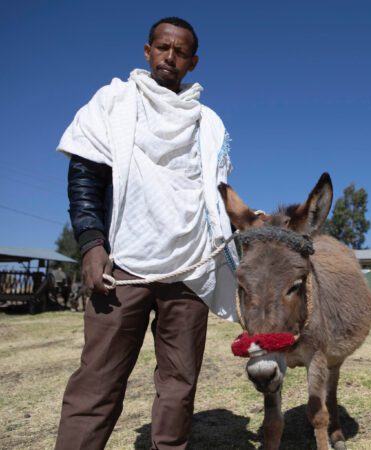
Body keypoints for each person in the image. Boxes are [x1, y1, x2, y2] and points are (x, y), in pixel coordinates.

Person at [55, 17, 238, 450]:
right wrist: (91, 244)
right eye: (162, 47)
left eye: (179, 52)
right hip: (123, 267)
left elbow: (215, 194)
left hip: (190, 272)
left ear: (193, 62)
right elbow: (85, 175)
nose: (169, 57)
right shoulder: (114, 102)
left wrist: (252, 221)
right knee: (98, 381)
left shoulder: (207, 122)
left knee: (179, 384)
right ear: (147, 51)